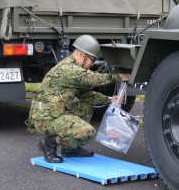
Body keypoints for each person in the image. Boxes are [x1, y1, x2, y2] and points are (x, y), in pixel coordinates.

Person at [29, 35, 131, 163]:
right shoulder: (69, 69)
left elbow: (86, 95)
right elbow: (92, 78)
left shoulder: (73, 68)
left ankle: (70, 149)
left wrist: (110, 99)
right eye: (91, 60)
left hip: (54, 113)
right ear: (83, 56)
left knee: (85, 106)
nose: (92, 64)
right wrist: (118, 76)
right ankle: (49, 144)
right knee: (87, 132)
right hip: (44, 118)